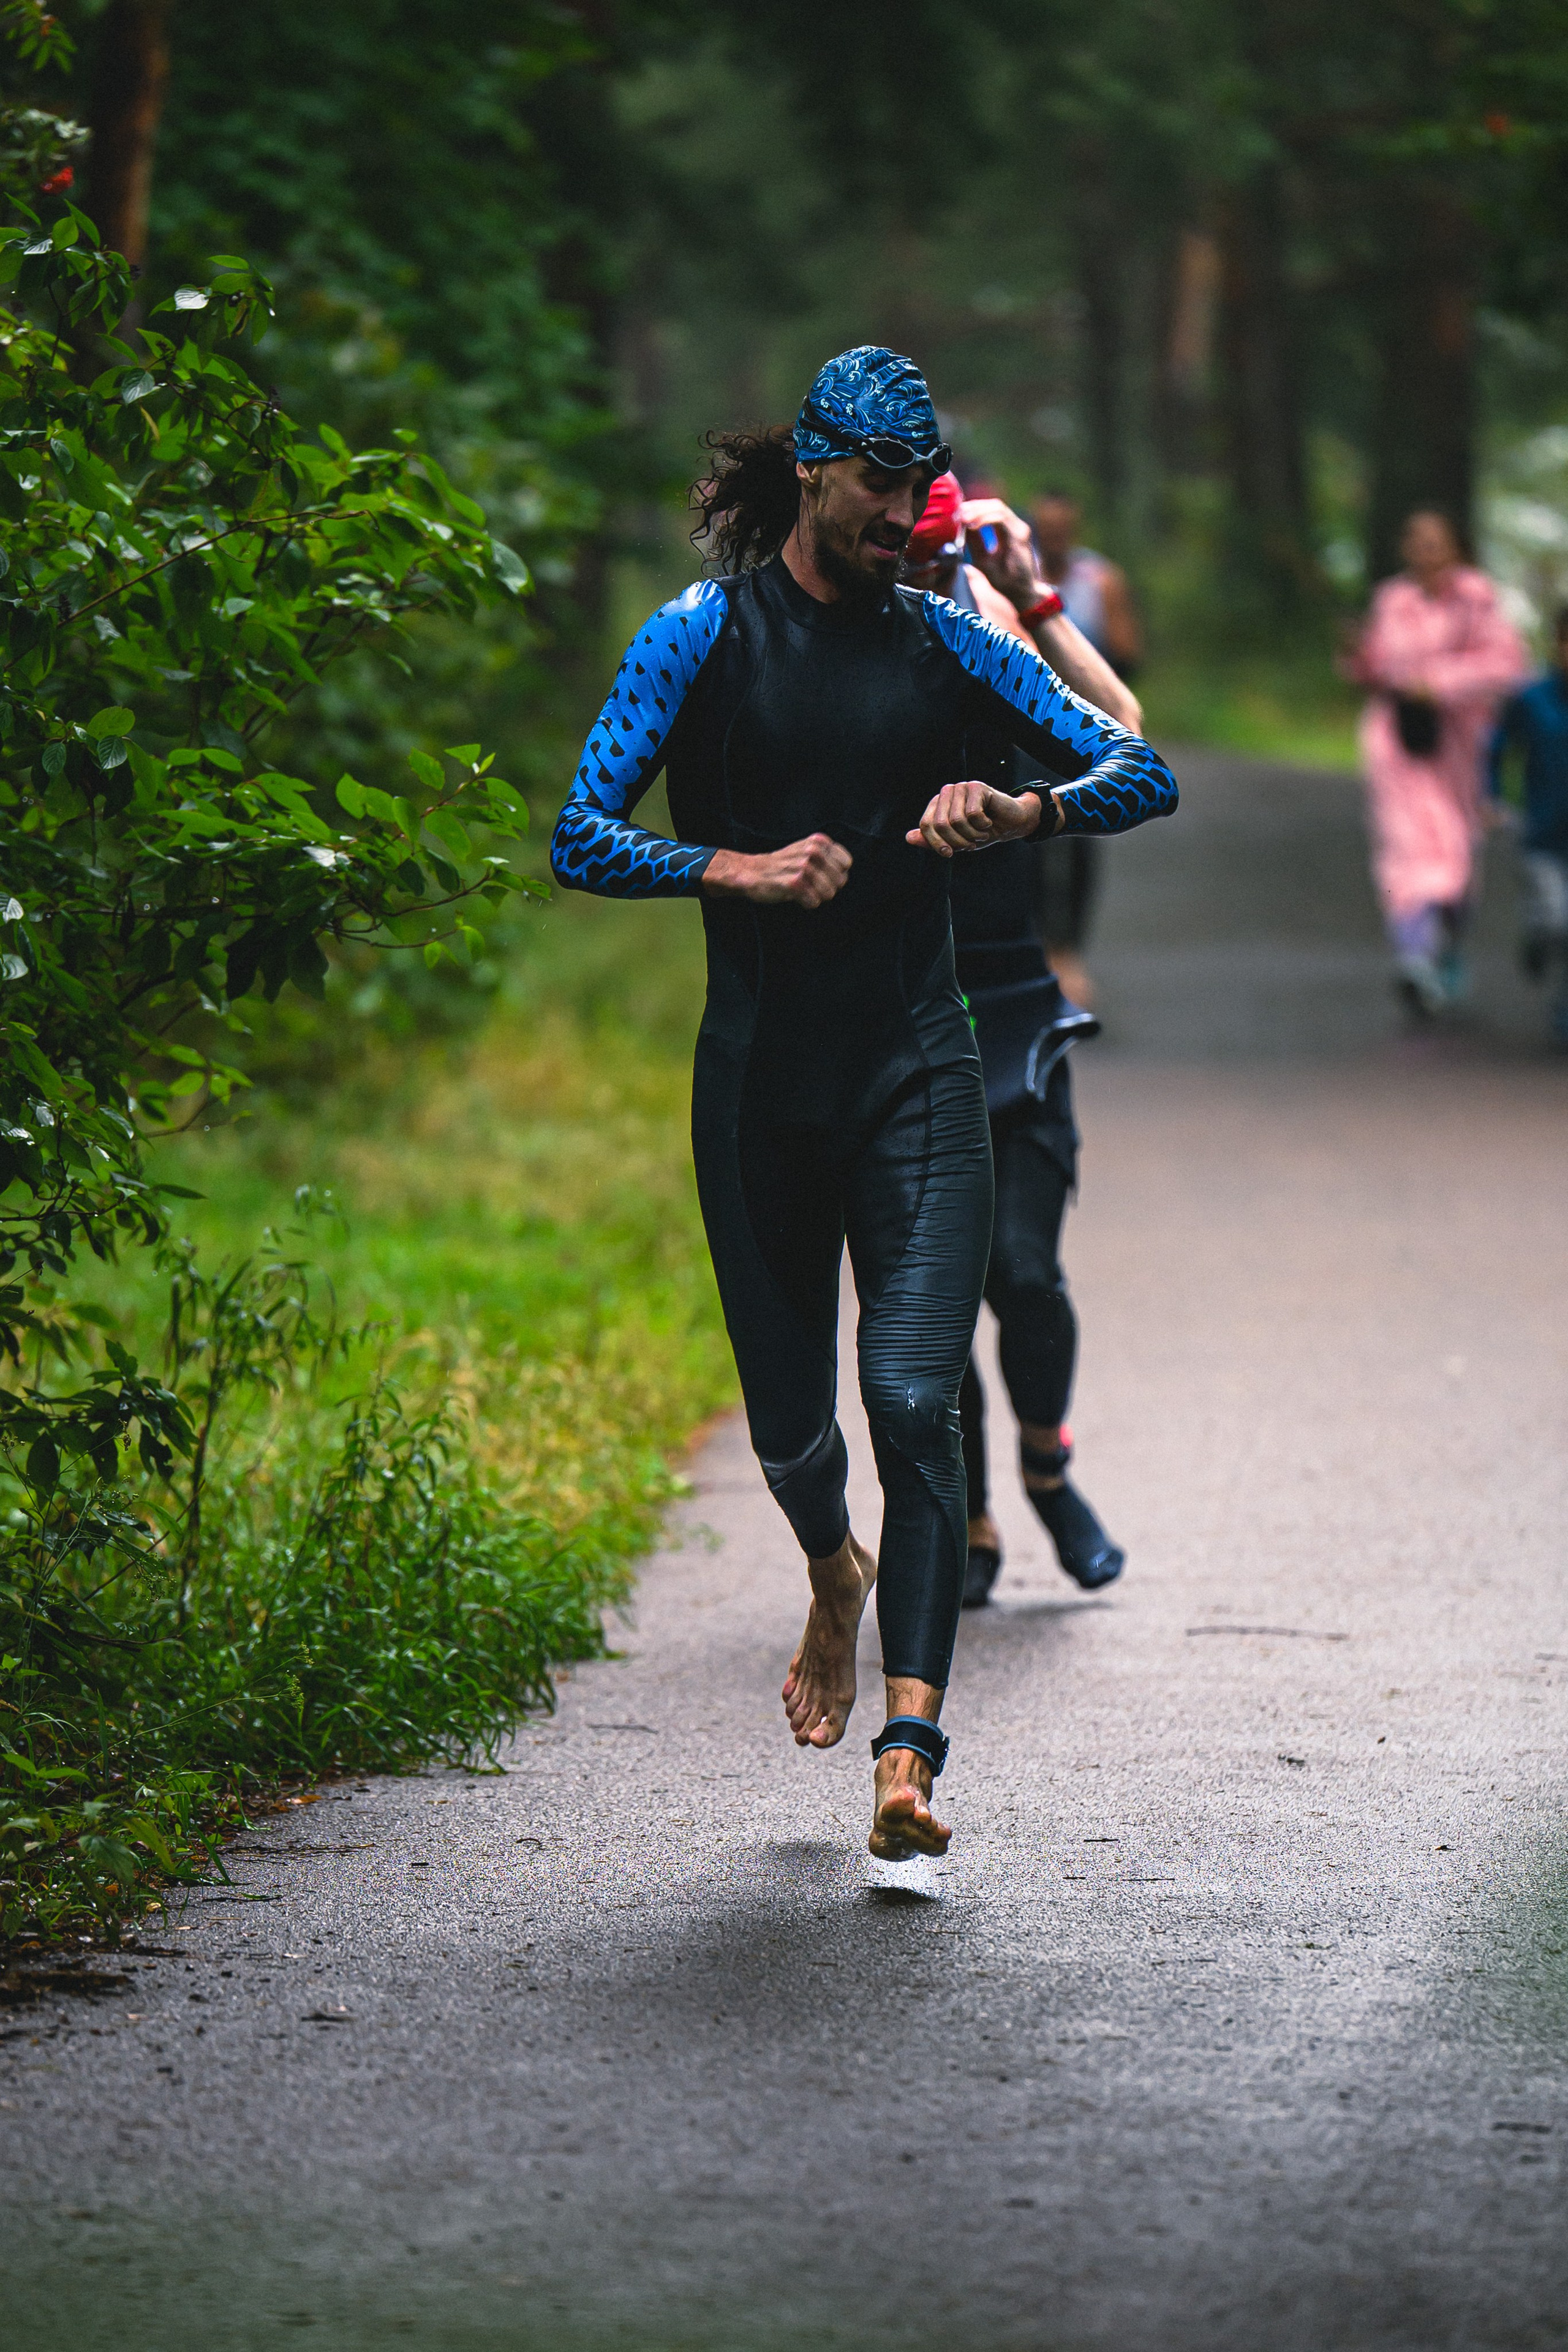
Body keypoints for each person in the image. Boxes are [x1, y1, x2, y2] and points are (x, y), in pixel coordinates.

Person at [550, 346, 1178, 1863]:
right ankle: (831, 1572)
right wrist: (732, 866)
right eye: (879, 484)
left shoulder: (944, 646)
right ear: (813, 471)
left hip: (917, 1069)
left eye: (918, 484)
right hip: (759, 1085)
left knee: (910, 1393)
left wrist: (1018, 806)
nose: (904, 512)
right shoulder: (696, 635)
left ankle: (908, 1751)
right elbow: (579, 831)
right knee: (789, 1436)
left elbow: (1136, 768)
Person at [899, 474, 1140, 1606]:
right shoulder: (831, 633)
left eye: (934, 547)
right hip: (895, 1006)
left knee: (1026, 1274)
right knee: (937, 1302)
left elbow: (1125, 739)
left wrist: (1032, 598)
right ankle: (977, 1517)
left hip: (1011, 998)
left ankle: (1049, 1471)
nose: (916, 569)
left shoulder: (988, 623)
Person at [1346, 510, 1528, 1019]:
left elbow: (1507, 665)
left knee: (1454, 853)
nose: (1426, 552)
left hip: (1458, 744)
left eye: (1436, 542)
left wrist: (1440, 682)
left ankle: (1446, 948)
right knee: (1406, 849)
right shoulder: (1392, 599)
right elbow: (1376, 667)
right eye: (1417, 541)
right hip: (1399, 740)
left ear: (1453, 548)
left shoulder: (1478, 598)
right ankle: (1412, 957)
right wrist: (1356, 655)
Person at [1023, 492, 1145, 1006]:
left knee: (1077, 836)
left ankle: (1066, 950)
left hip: (1083, 728)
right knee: (1026, 827)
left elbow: (1130, 655)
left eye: (1060, 529)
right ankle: (1036, 950)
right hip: (1025, 723)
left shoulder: (1101, 581)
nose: (1052, 538)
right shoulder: (1009, 573)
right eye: (1043, 529)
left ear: (1073, 529)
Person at [1488, 602, 1568, 1045]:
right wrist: (1493, 797)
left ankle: (1565, 1005)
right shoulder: (1531, 700)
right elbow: (1497, 749)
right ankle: (1536, 941)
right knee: (1556, 922)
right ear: (1557, 644)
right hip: (1544, 836)